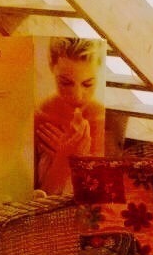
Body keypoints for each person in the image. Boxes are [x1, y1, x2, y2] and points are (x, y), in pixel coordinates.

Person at [33, 37, 105, 196]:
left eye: (88, 84)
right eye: (65, 83)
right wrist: (64, 161)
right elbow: (35, 201)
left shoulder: (104, 118)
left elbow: (103, 199)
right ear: (51, 65)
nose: (78, 96)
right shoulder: (38, 117)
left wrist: (74, 160)